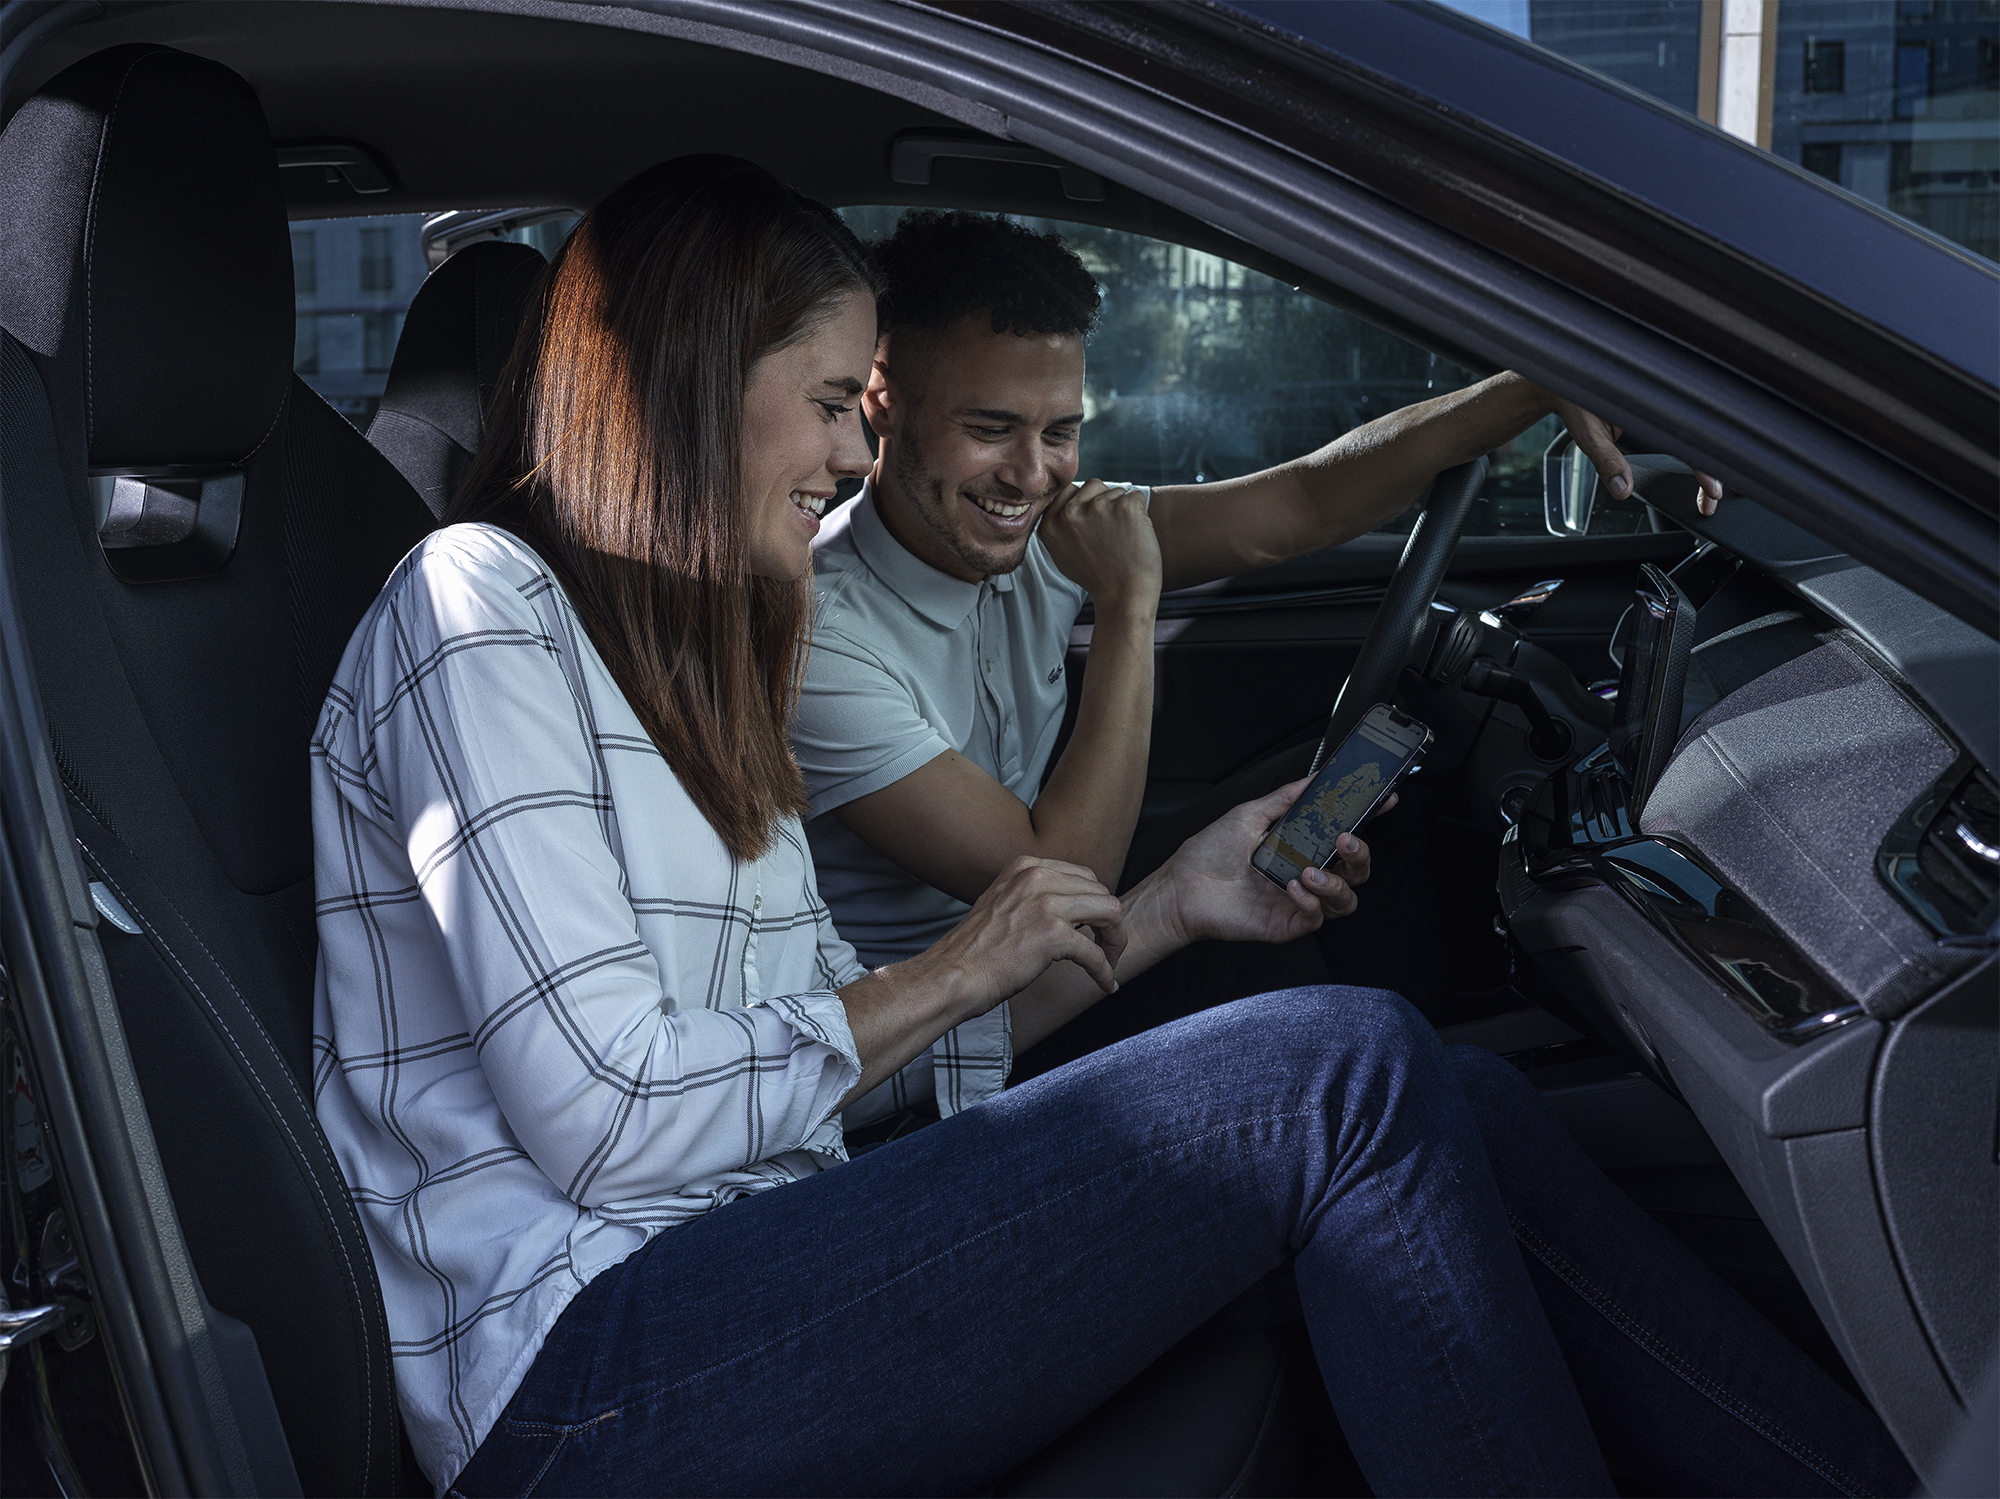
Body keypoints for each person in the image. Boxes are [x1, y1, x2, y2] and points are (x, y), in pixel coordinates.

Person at [311, 156, 1911, 1498]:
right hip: (587, 1381)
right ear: (685, 383)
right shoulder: (479, 606)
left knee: (1458, 1089)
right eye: (828, 407)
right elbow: (605, 1114)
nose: (855, 456)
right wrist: (949, 971)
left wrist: (1166, 910)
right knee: (1341, 1076)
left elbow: (832, 1085)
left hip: (752, 1255)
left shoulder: (701, 656)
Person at [792, 212, 1723, 1087]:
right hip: (947, 1051)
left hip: (1049, 962)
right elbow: (1061, 880)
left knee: (1379, 796)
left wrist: (1532, 384)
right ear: (882, 400)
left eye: (1061, 431)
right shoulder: (822, 633)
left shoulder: (1036, 526)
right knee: (1330, 1013)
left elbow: (1301, 506)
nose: (1032, 475)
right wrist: (1127, 600)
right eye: (990, 429)